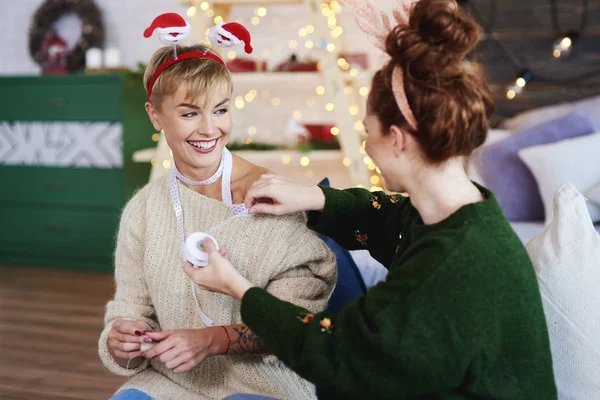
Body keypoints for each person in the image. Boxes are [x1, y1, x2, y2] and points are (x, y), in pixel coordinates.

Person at [184, 0, 558, 398]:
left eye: (370, 134)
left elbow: (336, 354)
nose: (366, 147)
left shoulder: (450, 268)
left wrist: (238, 288)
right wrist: (312, 197)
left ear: (397, 140)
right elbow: (391, 220)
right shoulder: (464, 210)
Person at [98, 38, 337, 399]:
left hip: (262, 385)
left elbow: (299, 323)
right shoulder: (144, 210)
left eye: (221, 110)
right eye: (190, 113)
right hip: (173, 381)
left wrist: (212, 340)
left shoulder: (271, 199)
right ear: (155, 115)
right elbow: (132, 308)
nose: (210, 129)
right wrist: (123, 339)